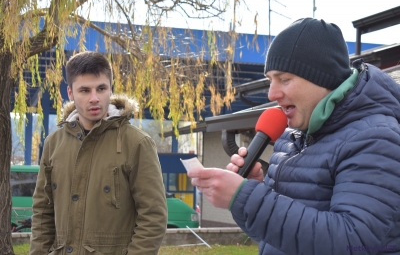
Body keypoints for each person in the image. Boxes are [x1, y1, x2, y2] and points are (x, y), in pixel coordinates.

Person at [188, 18, 400, 254]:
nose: (271, 94)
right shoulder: (291, 137)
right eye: (270, 80)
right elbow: (274, 236)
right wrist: (251, 191)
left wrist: (247, 198)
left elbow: (353, 241)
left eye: (284, 79)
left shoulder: (375, 138)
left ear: (322, 77)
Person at [30, 51, 168, 255]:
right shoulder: (54, 144)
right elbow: (42, 212)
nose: (94, 98)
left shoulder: (137, 144)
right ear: (70, 92)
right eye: (84, 90)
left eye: (101, 89)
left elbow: (153, 216)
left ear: (110, 89)